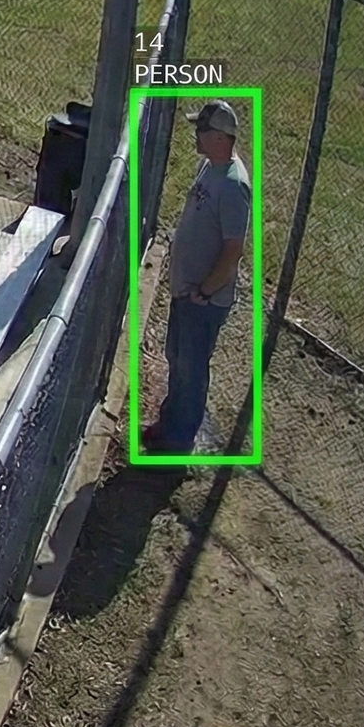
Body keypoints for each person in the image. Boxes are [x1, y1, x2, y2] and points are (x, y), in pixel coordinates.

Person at [141, 100, 253, 458]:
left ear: (220, 137)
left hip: (204, 300)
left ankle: (175, 449)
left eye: (201, 131)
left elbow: (234, 250)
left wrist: (205, 291)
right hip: (188, 291)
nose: (196, 136)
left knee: (190, 370)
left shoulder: (234, 186)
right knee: (177, 358)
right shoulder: (211, 166)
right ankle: (169, 425)